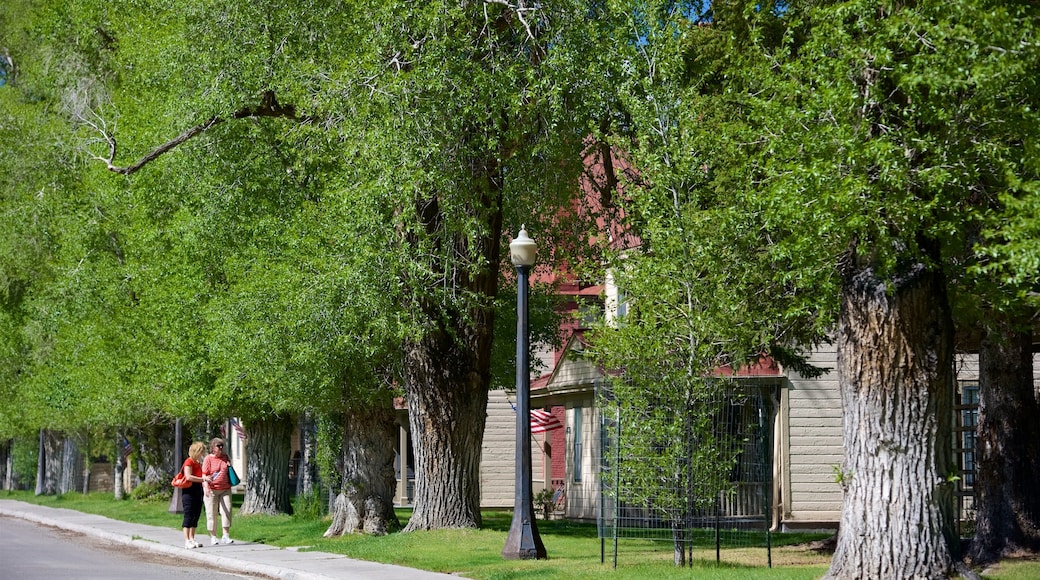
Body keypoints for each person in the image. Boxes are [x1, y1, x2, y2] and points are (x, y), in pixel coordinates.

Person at [202, 437, 235, 545]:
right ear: (213, 447)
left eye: (222, 446)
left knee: (227, 510)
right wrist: (206, 487)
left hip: (225, 488)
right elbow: (204, 474)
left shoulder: (225, 457)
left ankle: (225, 535)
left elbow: (229, 470)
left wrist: (229, 466)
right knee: (211, 512)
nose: (220, 448)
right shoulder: (208, 459)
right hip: (211, 489)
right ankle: (213, 536)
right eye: (218, 446)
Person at [180, 441, 207, 549]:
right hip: (188, 491)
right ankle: (186, 540)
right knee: (188, 515)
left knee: (196, 515)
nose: (202, 454)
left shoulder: (198, 463)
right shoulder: (189, 462)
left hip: (198, 490)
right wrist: (202, 479)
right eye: (201, 452)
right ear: (196, 452)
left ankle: (192, 538)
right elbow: (188, 476)